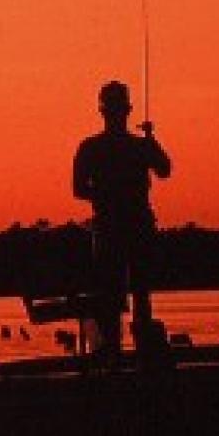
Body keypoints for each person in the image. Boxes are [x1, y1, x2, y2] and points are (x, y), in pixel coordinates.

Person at [73, 80, 171, 354]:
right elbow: (79, 189)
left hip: (128, 227)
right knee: (118, 293)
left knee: (133, 292)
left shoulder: (129, 146)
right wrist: (109, 195)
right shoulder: (92, 147)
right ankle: (118, 352)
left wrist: (151, 141)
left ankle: (127, 352)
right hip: (116, 227)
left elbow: (164, 169)